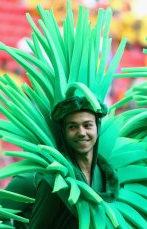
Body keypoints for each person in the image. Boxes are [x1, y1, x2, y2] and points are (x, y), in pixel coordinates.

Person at [29, 96, 119, 228]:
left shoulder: (108, 175)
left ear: (98, 128)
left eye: (87, 125)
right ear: (64, 132)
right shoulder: (53, 181)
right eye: (73, 127)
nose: (81, 133)